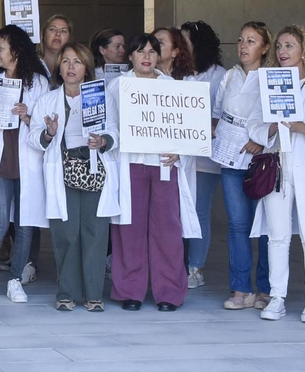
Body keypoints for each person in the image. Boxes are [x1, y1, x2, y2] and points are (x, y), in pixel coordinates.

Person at [249, 25, 305, 324]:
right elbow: (254, 125)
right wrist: (271, 127)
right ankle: (277, 297)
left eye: (289, 45)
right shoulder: (268, 83)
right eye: (279, 46)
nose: (282, 51)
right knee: (277, 236)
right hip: (278, 167)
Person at [104, 34, 199, 311]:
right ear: (130, 56)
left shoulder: (172, 87)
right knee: (129, 230)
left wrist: (181, 151)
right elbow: (111, 126)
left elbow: (187, 129)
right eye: (140, 50)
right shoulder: (117, 87)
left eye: (152, 51)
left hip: (164, 166)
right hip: (131, 163)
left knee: (167, 230)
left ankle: (169, 292)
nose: (146, 55)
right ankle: (129, 290)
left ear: (158, 56)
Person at [31, 42, 116, 310]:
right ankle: (66, 293)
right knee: (66, 233)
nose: (70, 66)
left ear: (87, 68)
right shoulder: (48, 100)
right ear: (59, 67)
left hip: (93, 168)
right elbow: (34, 137)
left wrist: (103, 140)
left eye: (77, 62)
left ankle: (93, 295)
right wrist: (50, 133)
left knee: (95, 232)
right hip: (62, 168)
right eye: (66, 61)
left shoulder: (101, 97)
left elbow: (116, 130)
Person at [0, 26, 50, 304]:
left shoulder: (38, 82)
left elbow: (48, 123)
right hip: (1, 162)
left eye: (0, 47)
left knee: (26, 223)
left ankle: (16, 280)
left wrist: (28, 117)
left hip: (27, 160)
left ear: (15, 49)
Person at [213, 22, 272, 310]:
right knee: (238, 224)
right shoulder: (229, 76)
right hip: (229, 151)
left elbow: (279, 117)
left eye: (251, 41)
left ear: (264, 48)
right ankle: (240, 288)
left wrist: (261, 141)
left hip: (260, 158)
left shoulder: (271, 78)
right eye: (240, 40)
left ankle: (266, 288)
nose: (244, 46)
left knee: (263, 226)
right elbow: (215, 114)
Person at [177, 21, 227, 291]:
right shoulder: (177, 73)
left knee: (198, 210)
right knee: (176, 210)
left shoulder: (219, 75)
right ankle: (176, 265)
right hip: (178, 155)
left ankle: (195, 267)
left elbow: (221, 117)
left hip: (205, 156)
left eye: (185, 40)